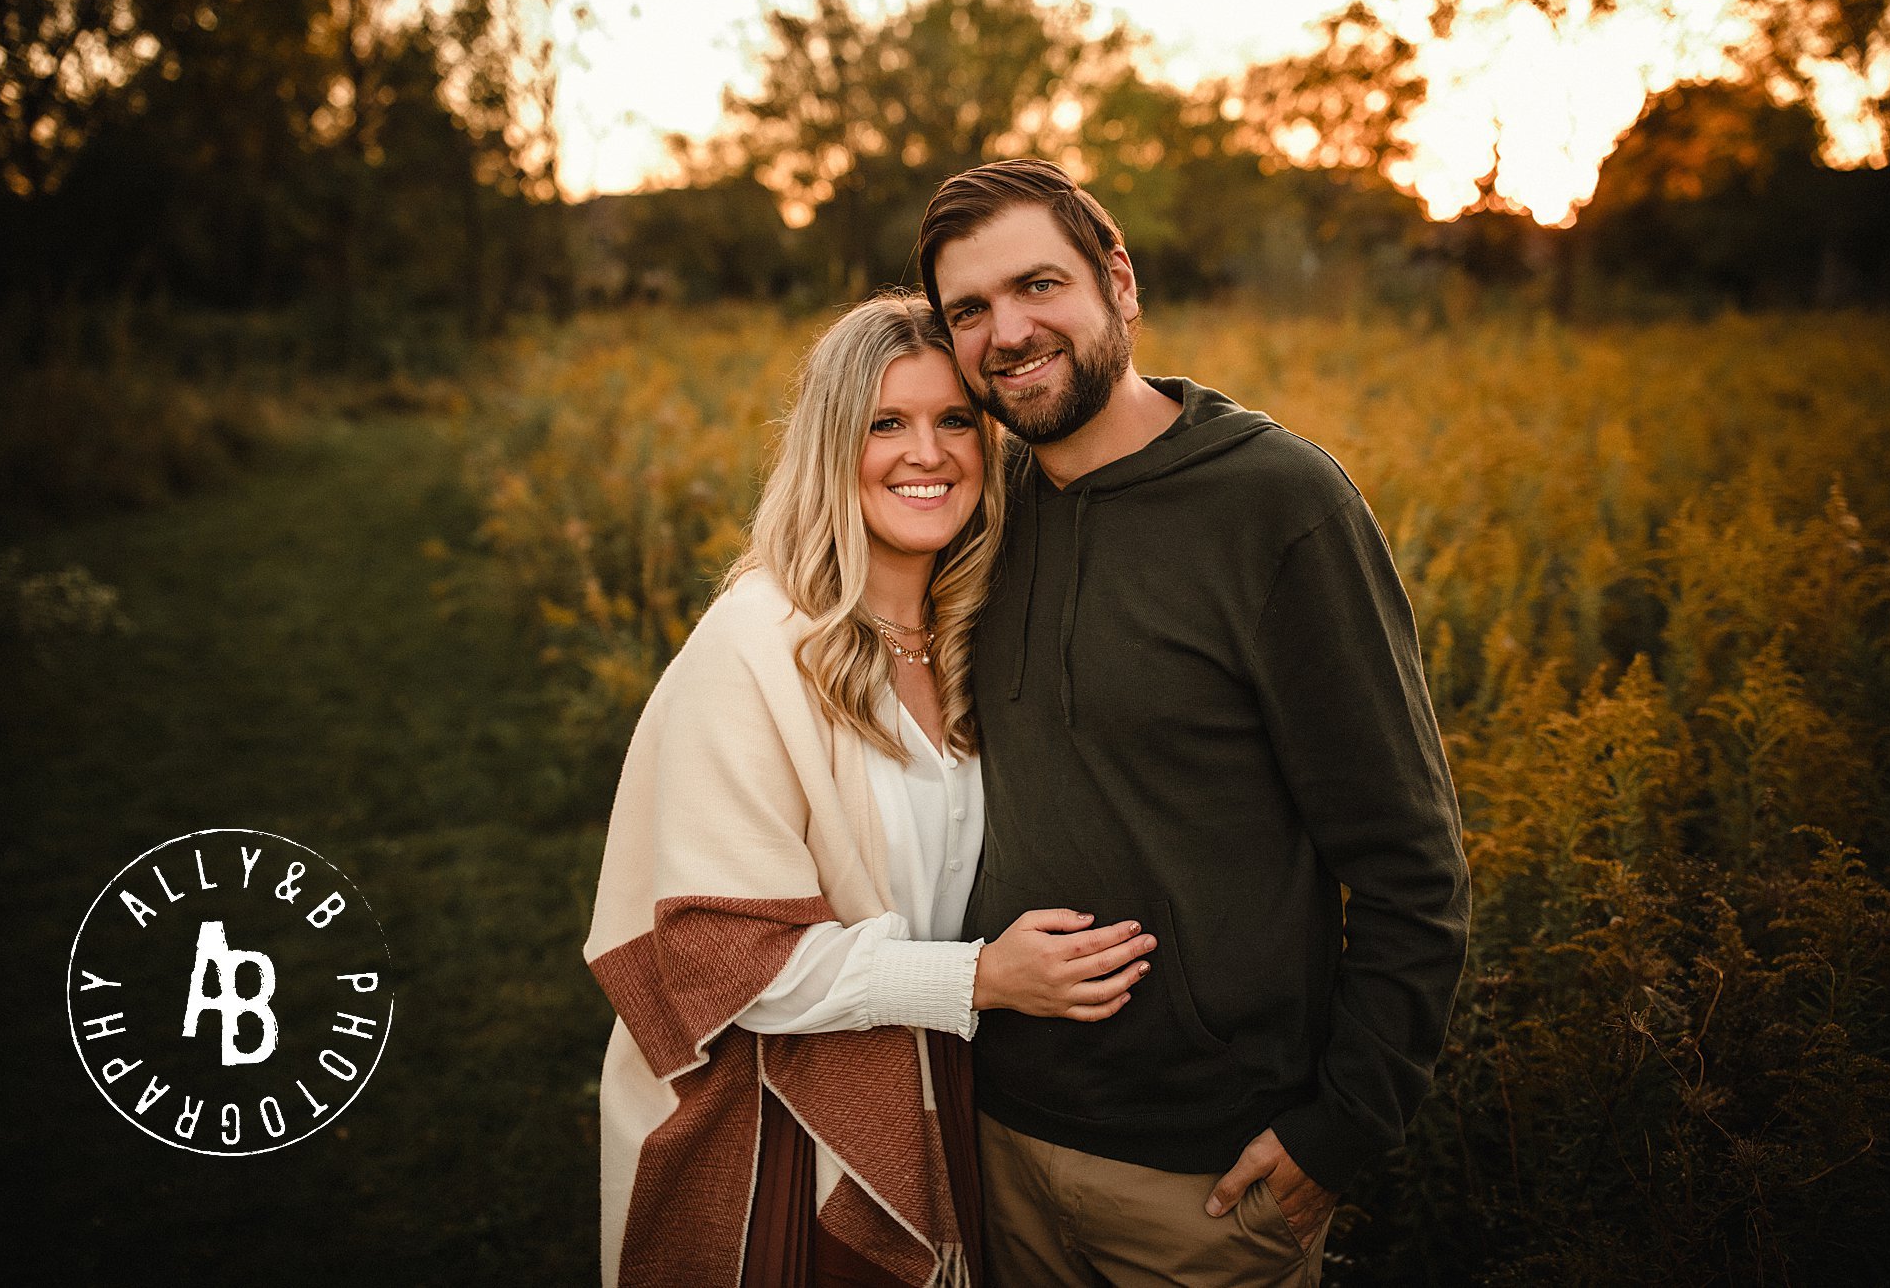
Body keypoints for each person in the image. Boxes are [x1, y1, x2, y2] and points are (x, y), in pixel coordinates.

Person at [917, 160, 1472, 1286]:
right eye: (967, 310)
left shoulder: (1277, 505)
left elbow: (1409, 858)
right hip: (996, 1134)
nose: (1005, 332)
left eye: (1037, 285)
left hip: (1208, 1178)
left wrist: (1345, 1122)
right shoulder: (977, 509)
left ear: (1118, 279)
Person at [581, 292, 1158, 1288]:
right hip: (784, 1130)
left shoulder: (976, 638)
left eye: (952, 422)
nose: (923, 453)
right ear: (829, 446)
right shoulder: (754, 647)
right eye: (884, 423)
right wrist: (980, 979)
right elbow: (728, 962)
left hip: (950, 1094)